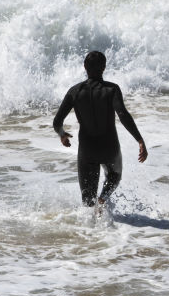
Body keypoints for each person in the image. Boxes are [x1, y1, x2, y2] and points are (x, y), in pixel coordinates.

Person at [53, 51, 148, 209]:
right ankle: (103, 199)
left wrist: (62, 135)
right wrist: (139, 140)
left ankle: (90, 228)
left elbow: (57, 122)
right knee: (114, 176)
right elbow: (123, 114)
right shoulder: (112, 90)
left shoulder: (75, 91)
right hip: (109, 146)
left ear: (85, 67)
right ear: (104, 67)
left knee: (87, 201)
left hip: (87, 149)